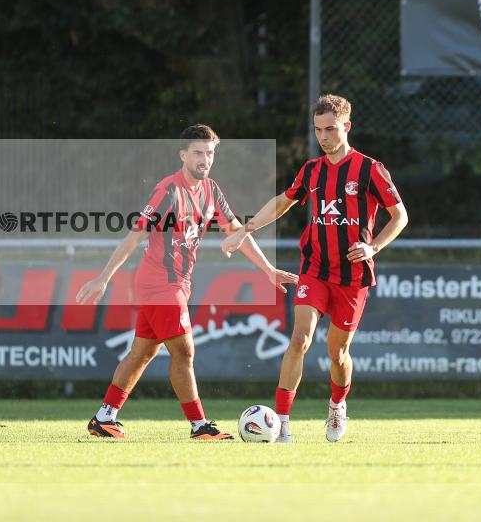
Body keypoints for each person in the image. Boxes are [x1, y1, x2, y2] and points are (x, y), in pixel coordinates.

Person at [77, 124, 298, 440]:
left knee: (142, 353)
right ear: (183, 155)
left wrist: (267, 269)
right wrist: (104, 277)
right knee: (184, 352)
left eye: (209, 153)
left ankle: (104, 417)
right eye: (198, 153)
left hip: (177, 284)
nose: (205, 159)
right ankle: (199, 425)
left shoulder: (211, 191)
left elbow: (237, 232)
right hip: (159, 284)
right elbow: (134, 236)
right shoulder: (168, 191)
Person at [221, 95, 408, 443]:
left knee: (338, 353)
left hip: (352, 275)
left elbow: (400, 215)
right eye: (318, 129)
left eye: (331, 129)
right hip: (316, 269)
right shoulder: (312, 170)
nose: (324, 136)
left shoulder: (369, 169)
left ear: (346, 127)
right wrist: (244, 230)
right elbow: (282, 203)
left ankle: (337, 406)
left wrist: (373, 246)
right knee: (300, 338)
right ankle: (283, 424)